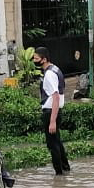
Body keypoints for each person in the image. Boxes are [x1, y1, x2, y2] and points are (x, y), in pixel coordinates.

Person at [33, 46, 70, 175]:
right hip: (54, 111)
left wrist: (52, 121)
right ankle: (65, 168)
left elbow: (55, 97)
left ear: (44, 59)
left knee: (52, 145)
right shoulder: (55, 69)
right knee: (57, 142)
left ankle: (59, 174)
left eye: (36, 58)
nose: (34, 60)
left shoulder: (49, 74)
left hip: (50, 112)